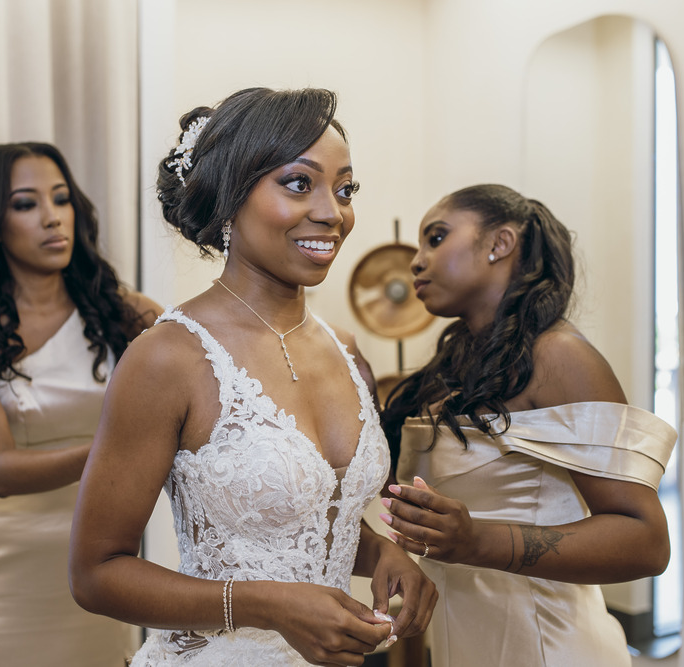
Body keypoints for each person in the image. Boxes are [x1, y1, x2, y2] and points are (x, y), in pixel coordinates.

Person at [69, 87, 437, 667]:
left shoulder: (344, 349)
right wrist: (269, 607)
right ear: (229, 195)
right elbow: (95, 574)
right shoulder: (169, 358)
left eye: (344, 190)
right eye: (299, 183)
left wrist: (382, 554)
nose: (331, 212)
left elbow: (310, 521)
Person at [379, 183, 677, 666]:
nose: (415, 261)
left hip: (548, 644)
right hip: (467, 640)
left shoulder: (559, 356)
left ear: (499, 244)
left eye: (435, 238)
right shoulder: (455, 366)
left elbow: (646, 540)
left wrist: (477, 541)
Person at [0, 142, 161, 667]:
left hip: (101, 568)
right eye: (26, 204)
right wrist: (115, 448)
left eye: (61, 199)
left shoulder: (128, 315)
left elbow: (210, 377)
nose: (53, 218)